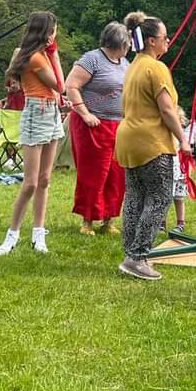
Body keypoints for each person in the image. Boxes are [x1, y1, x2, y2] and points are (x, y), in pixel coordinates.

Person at [115, 11, 190, 280]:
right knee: (159, 198)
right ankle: (138, 256)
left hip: (128, 139)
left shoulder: (133, 65)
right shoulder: (156, 68)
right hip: (151, 141)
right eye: (164, 37)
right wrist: (183, 138)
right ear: (150, 41)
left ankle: (131, 254)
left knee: (135, 198)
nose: (168, 41)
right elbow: (167, 110)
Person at [0, 12, 65, 257]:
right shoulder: (36, 57)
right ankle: (12, 235)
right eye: (53, 30)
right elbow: (59, 84)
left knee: (45, 179)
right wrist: (55, 54)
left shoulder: (42, 54)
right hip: (36, 113)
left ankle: (38, 233)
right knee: (31, 182)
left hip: (52, 112)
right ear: (45, 32)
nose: (56, 35)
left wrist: (52, 54)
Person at [65, 21, 131, 236]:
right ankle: (87, 221)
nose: (129, 48)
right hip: (93, 125)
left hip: (118, 125)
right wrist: (85, 113)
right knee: (94, 174)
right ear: (117, 43)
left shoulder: (124, 63)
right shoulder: (91, 59)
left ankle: (109, 219)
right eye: (127, 43)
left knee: (116, 174)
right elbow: (71, 86)